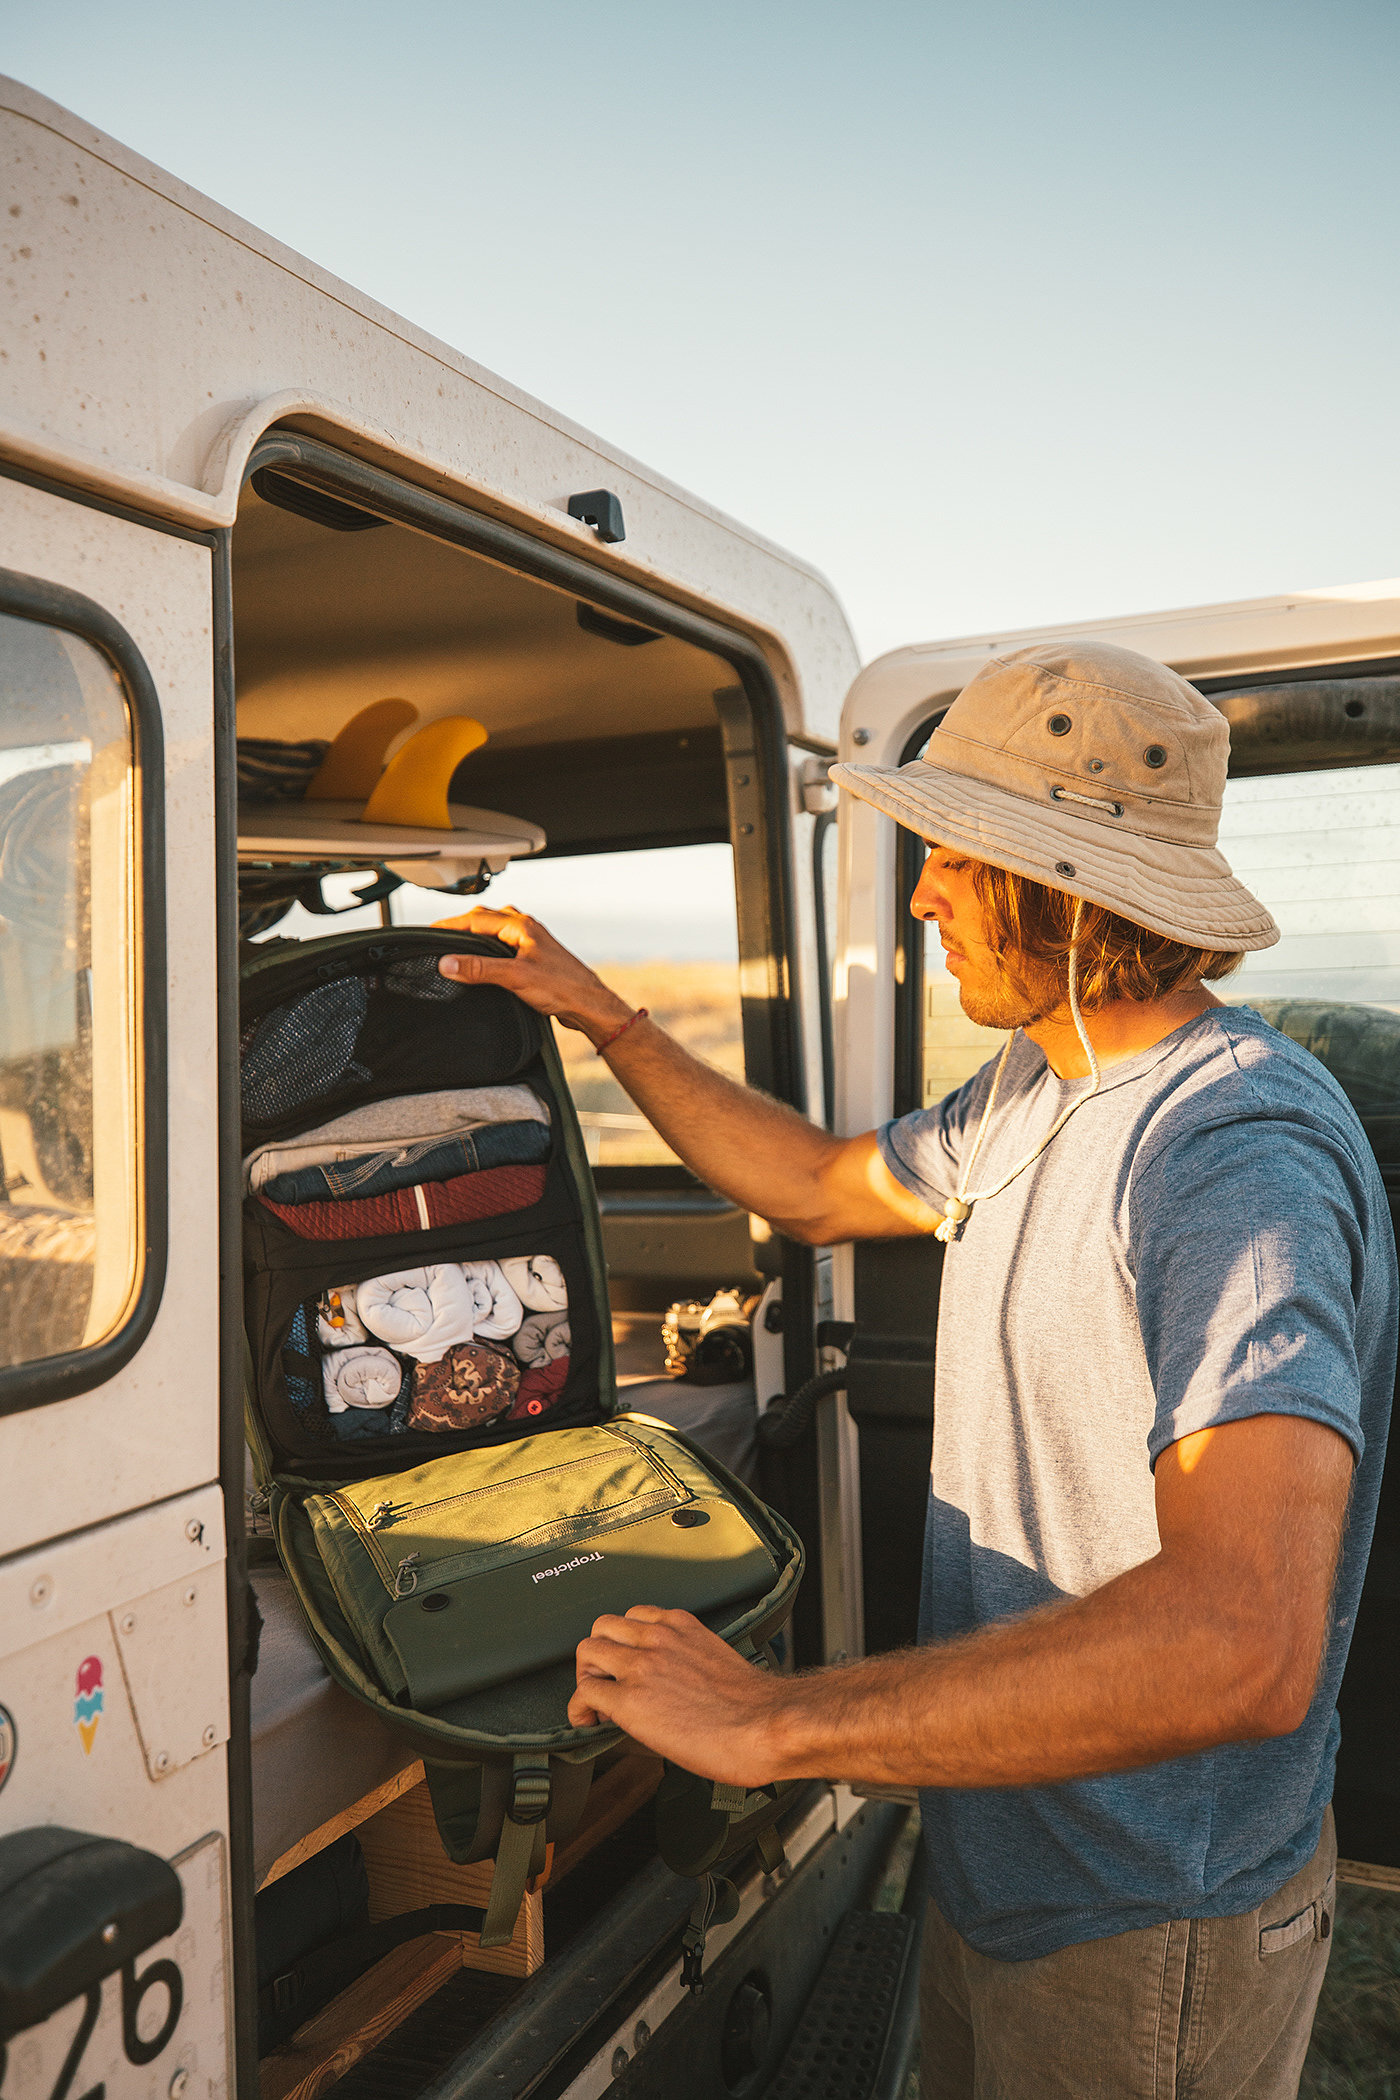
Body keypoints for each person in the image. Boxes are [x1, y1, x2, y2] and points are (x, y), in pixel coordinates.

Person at [436, 640, 1397, 2100]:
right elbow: (820, 1185)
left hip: (1148, 1922)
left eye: (957, 856)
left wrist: (774, 1724)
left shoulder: (1232, 1156)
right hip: (1011, 1853)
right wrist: (610, 1021)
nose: (925, 894)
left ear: (1068, 891)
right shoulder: (1043, 1082)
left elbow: (1241, 1638)